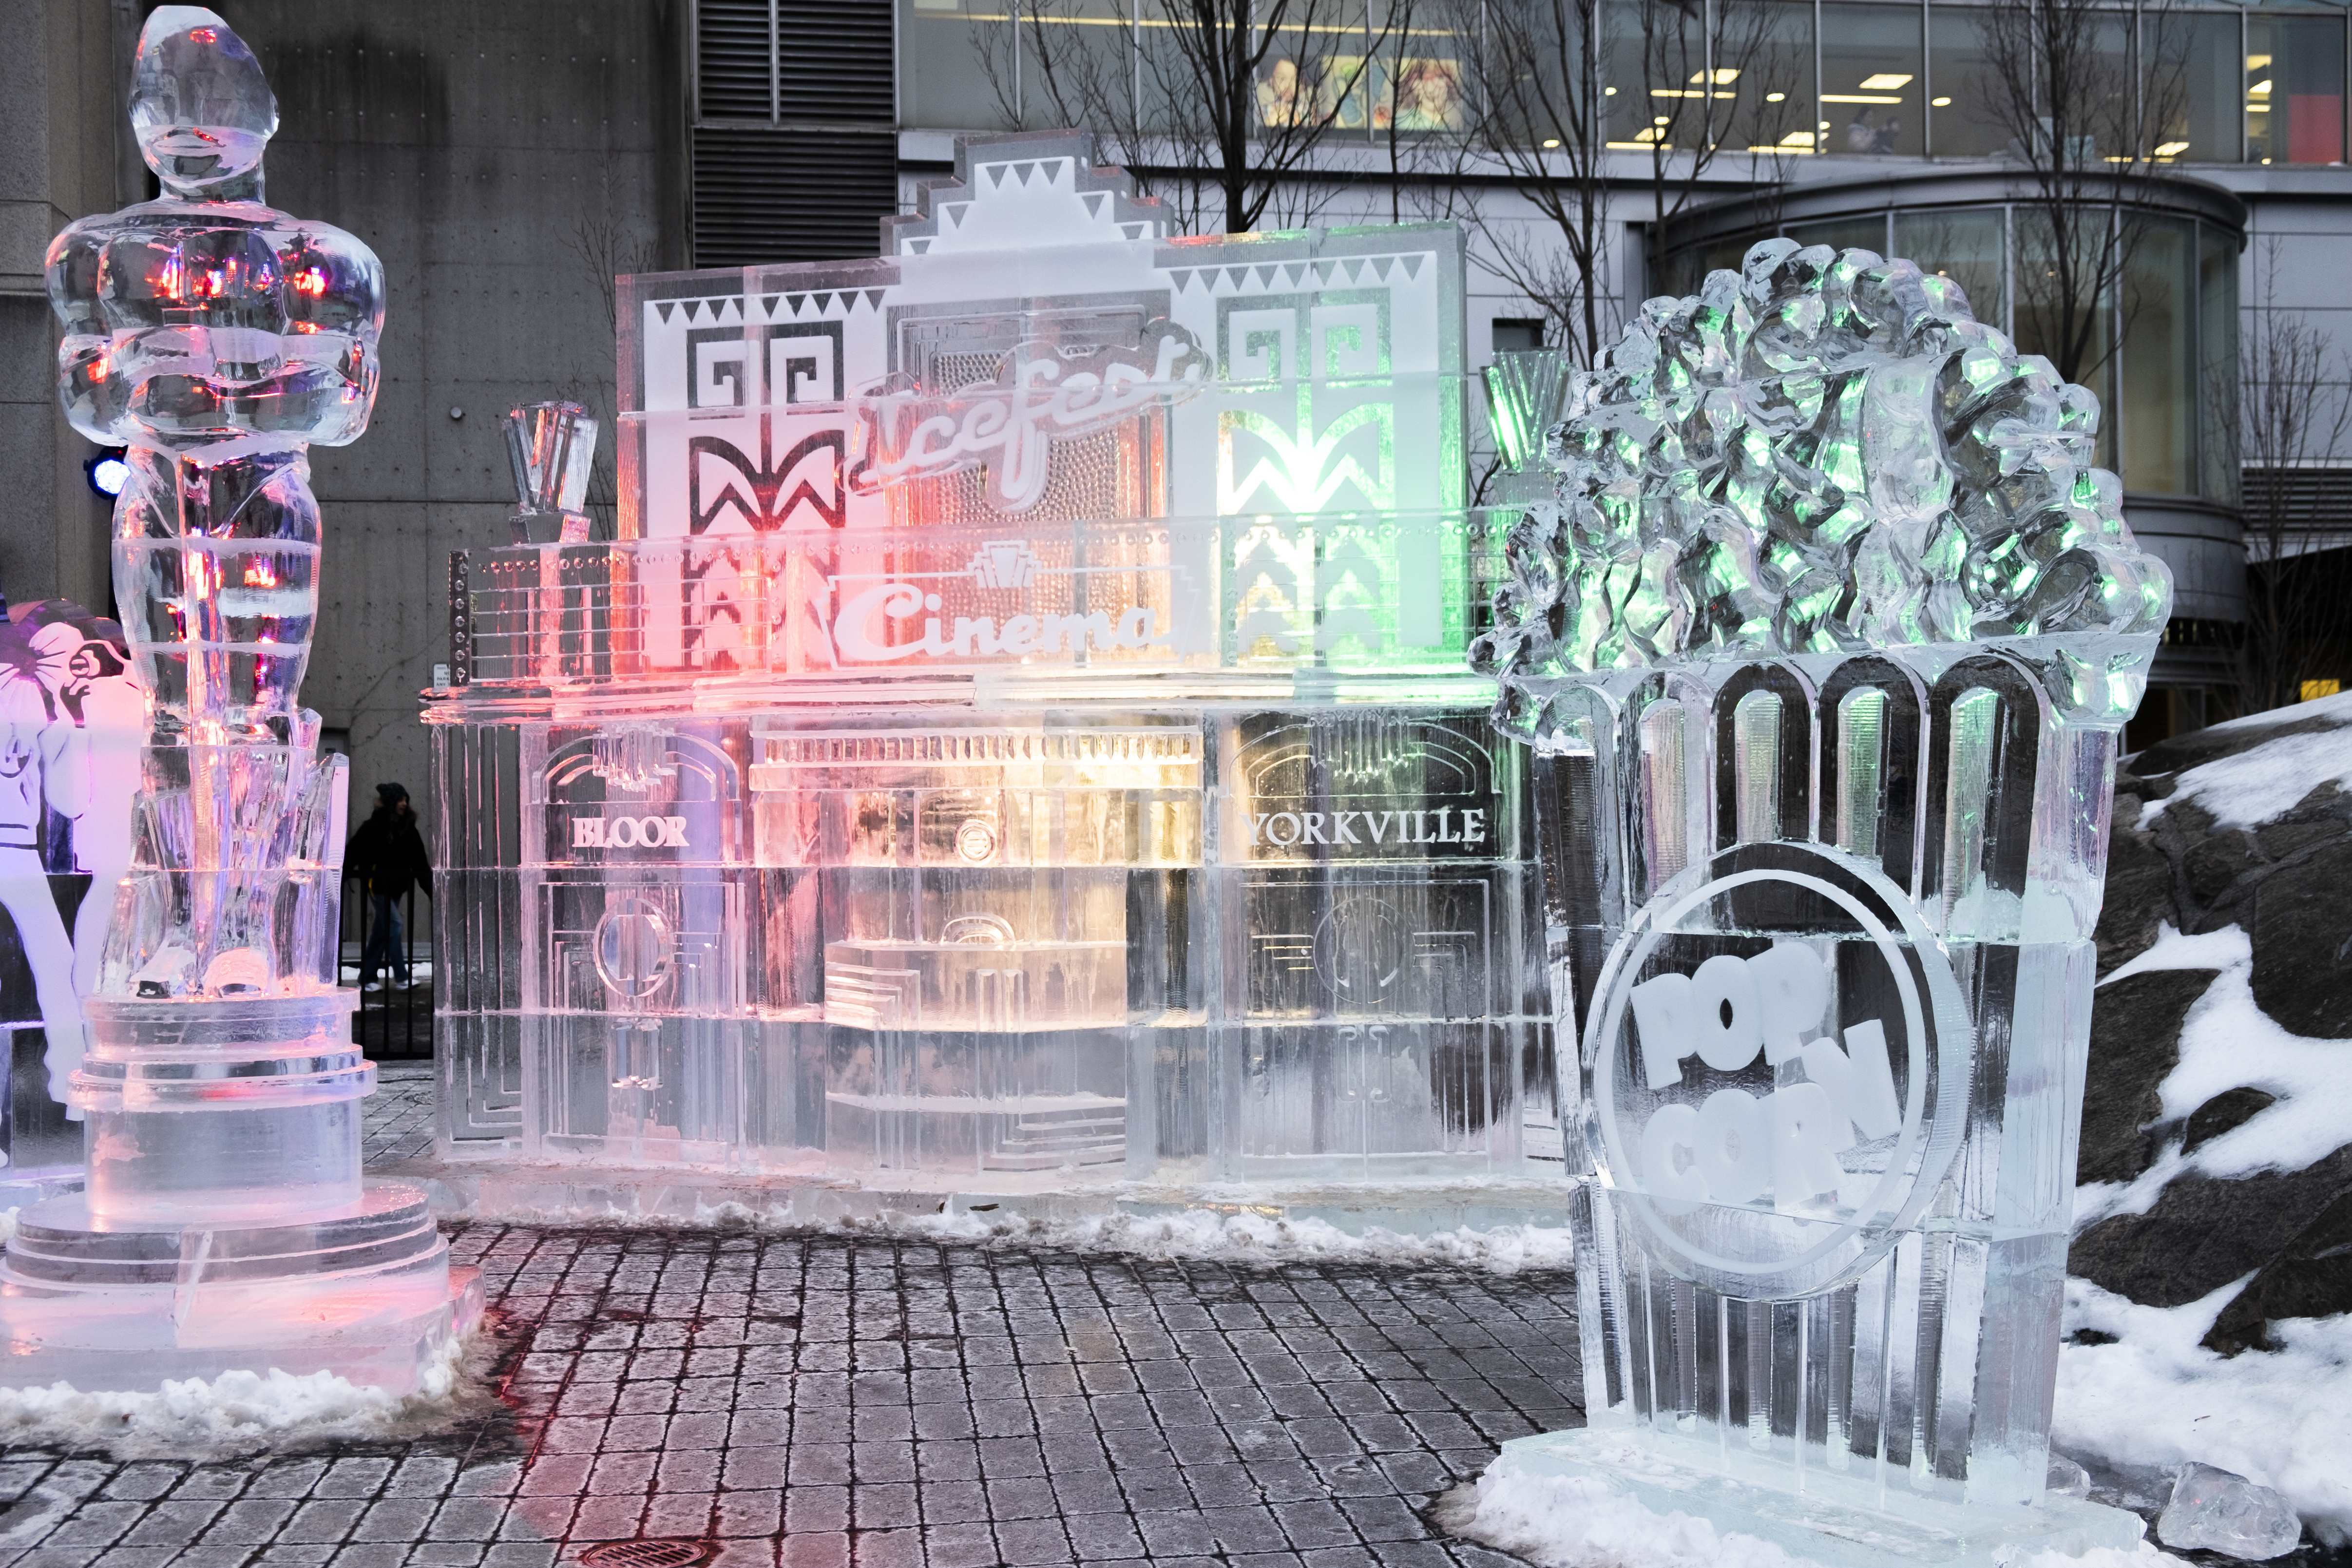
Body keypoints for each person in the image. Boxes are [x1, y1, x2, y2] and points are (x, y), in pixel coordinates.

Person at [346, 782, 430, 991]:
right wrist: (341, 876)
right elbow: (353, 853)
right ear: (391, 803)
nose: (404, 804)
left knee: (381, 932)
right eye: (400, 800)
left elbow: (420, 862)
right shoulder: (372, 828)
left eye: (406, 800)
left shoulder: (408, 829)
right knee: (395, 925)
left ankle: (366, 978)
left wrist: (432, 892)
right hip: (378, 887)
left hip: (397, 887)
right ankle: (402, 977)